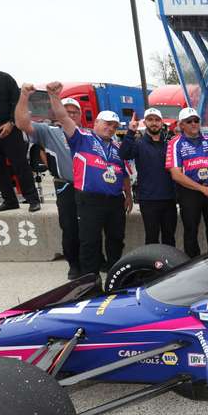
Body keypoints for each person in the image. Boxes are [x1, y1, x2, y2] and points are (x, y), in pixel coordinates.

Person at [46, 81, 133, 277]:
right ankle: (89, 281)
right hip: (89, 199)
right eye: (107, 124)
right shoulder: (81, 137)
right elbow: (63, 117)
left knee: (116, 239)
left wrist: (128, 195)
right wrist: (54, 96)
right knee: (89, 241)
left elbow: (124, 173)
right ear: (96, 123)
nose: (110, 128)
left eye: (114, 126)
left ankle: (115, 273)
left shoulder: (118, 147)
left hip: (115, 200)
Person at [15, 84, 82, 278]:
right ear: (57, 111)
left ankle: (93, 259)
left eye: (74, 112)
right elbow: (21, 123)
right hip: (66, 186)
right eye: (66, 110)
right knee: (69, 228)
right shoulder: (48, 131)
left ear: (79, 115)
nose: (70, 115)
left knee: (90, 227)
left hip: (88, 189)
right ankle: (74, 264)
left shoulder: (88, 134)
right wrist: (24, 96)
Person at [166, 108, 208, 257]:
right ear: (181, 125)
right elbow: (176, 175)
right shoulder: (175, 143)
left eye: (196, 120)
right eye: (189, 121)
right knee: (190, 230)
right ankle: (192, 264)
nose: (194, 124)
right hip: (189, 191)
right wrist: (201, 189)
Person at [0, 49, 41, 212]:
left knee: (20, 164)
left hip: (9, 129)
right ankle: (9, 201)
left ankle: (32, 199)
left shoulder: (4, 79)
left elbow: (17, 102)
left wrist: (11, 123)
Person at [120, 108, 177, 245]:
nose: (154, 123)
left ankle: (170, 266)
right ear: (144, 122)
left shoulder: (169, 144)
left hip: (169, 199)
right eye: (150, 120)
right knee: (151, 239)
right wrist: (131, 131)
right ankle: (153, 266)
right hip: (148, 200)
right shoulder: (138, 144)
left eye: (157, 120)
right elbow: (124, 154)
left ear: (162, 122)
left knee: (169, 238)